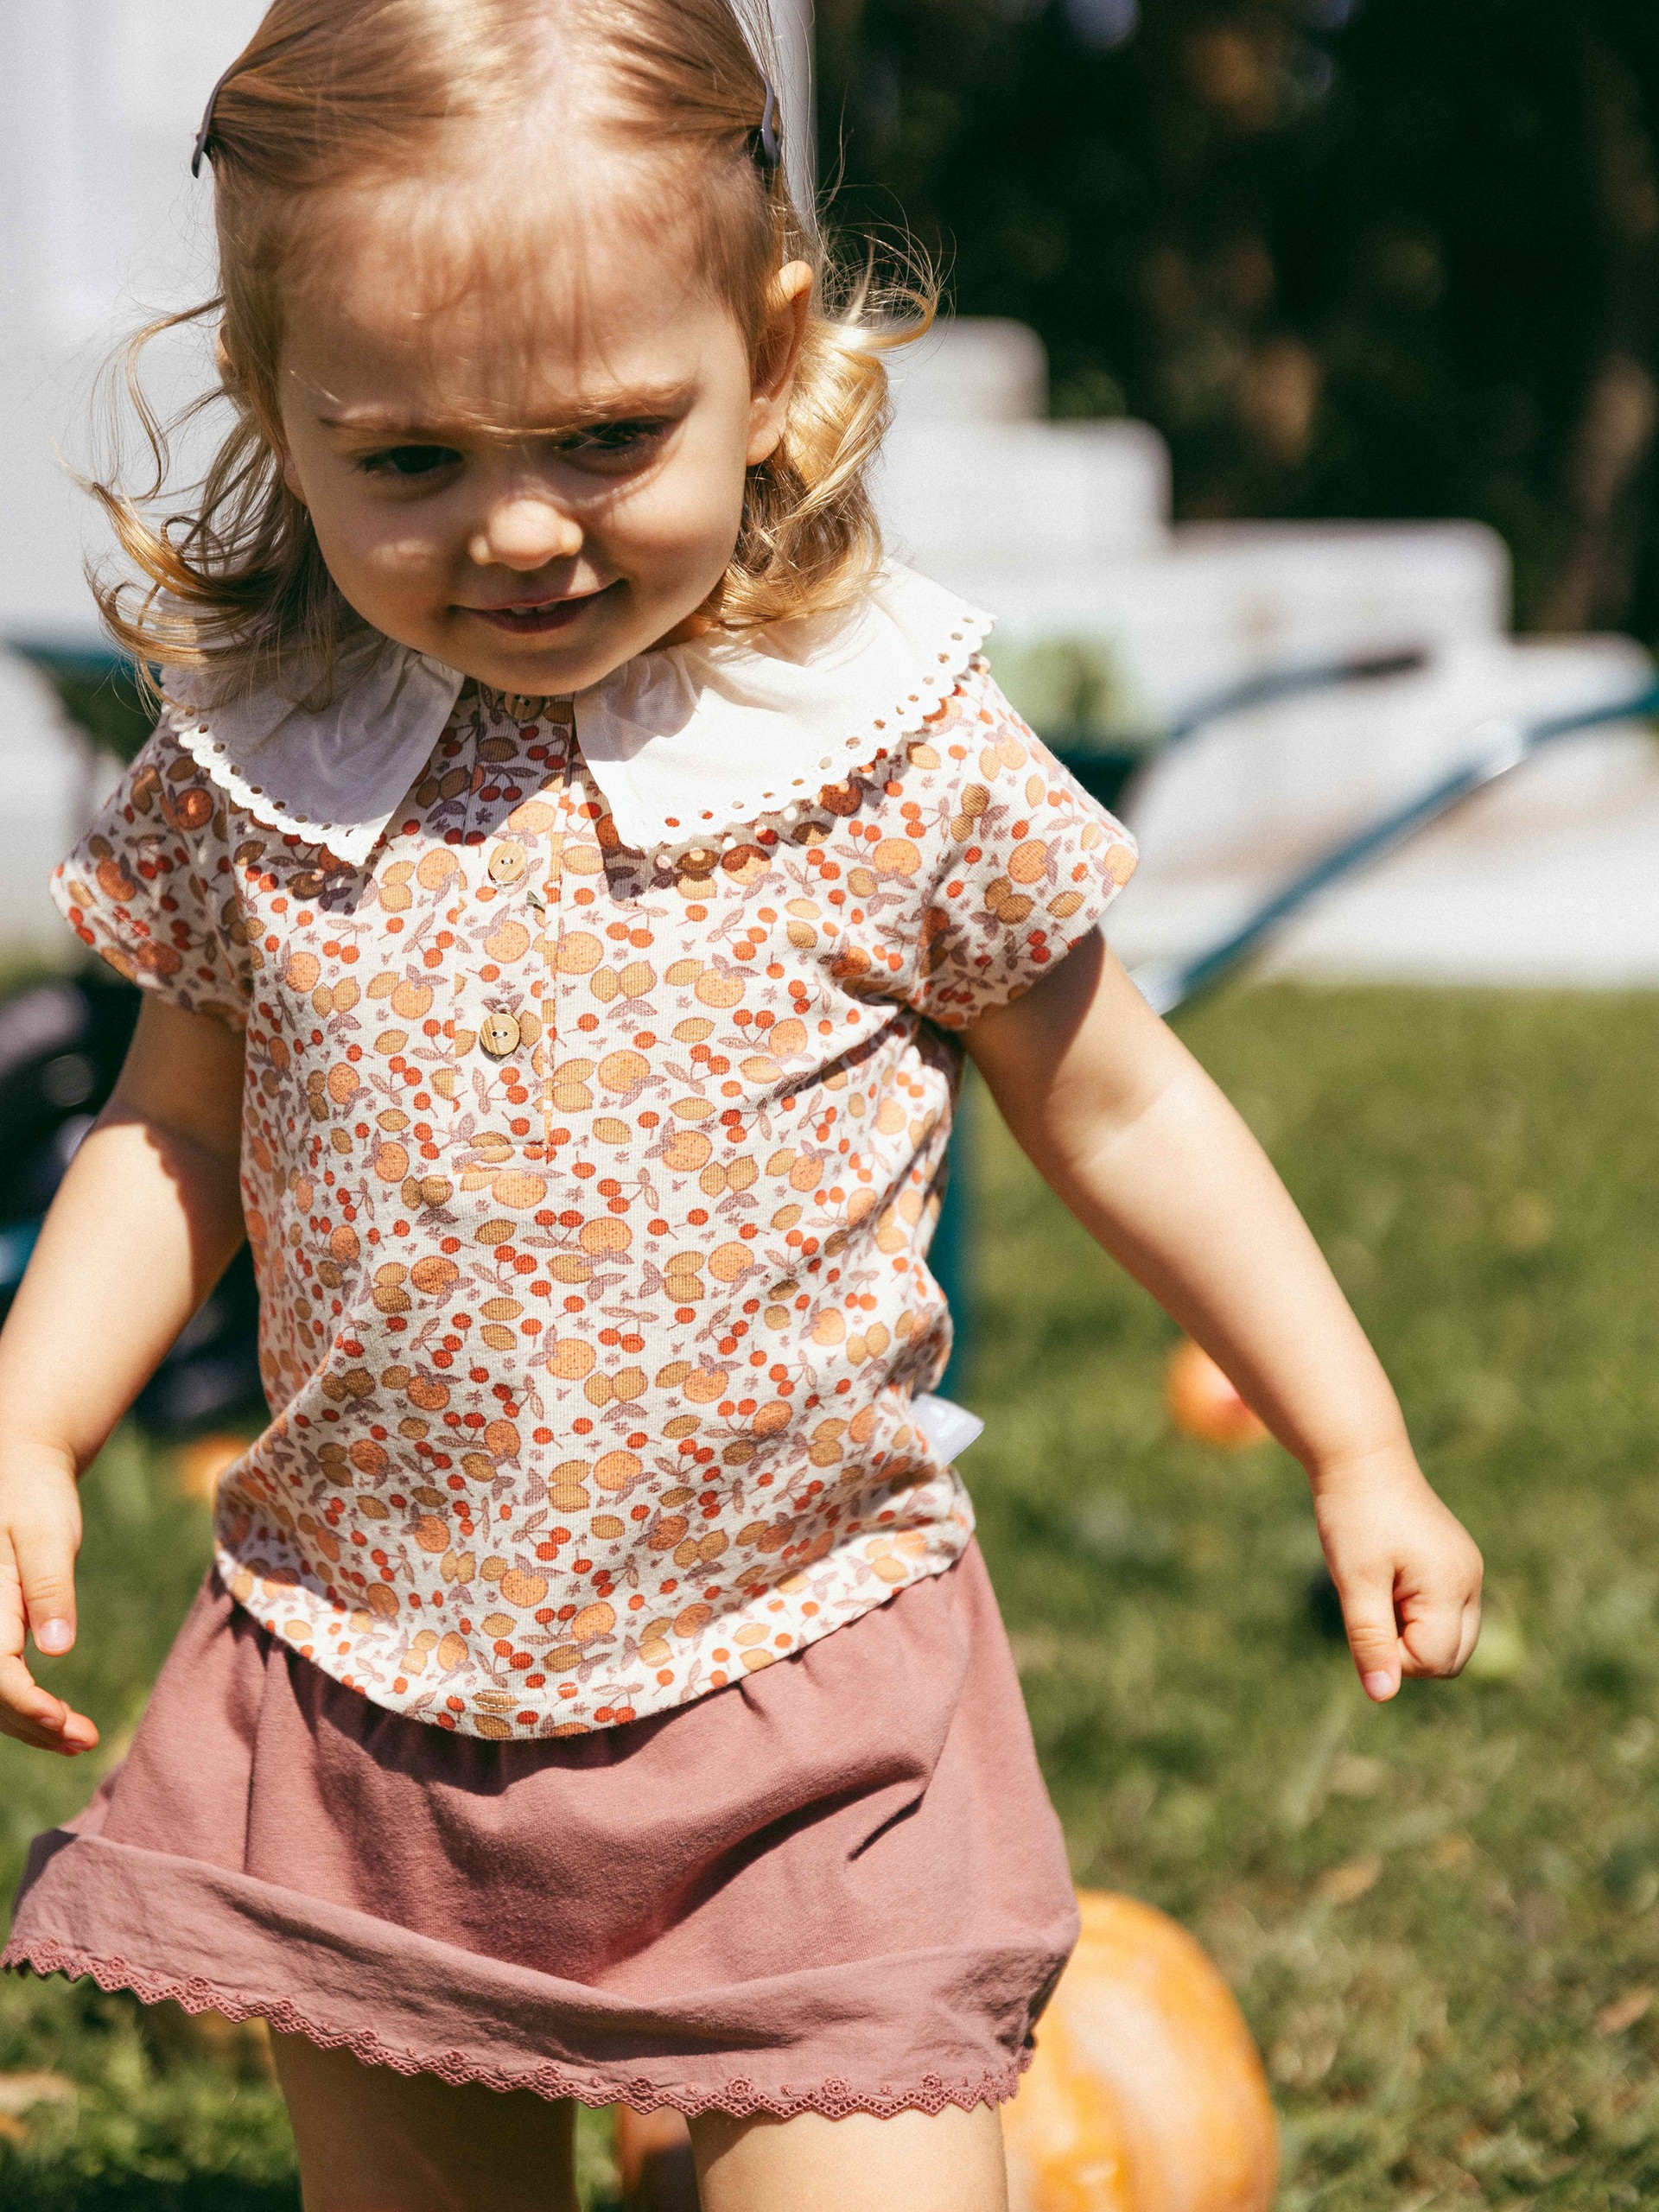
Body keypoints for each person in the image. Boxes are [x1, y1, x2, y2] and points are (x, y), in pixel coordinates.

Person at [0, 3, 1483, 2206]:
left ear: (769, 350)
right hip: (384, 1688)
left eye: (609, 436)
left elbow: (1131, 1108)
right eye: (409, 458)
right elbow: (178, 1133)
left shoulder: (879, 745)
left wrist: (1354, 1440)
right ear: (270, 403)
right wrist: (33, 1414)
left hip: (811, 1698)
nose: (517, 530)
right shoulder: (266, 763)